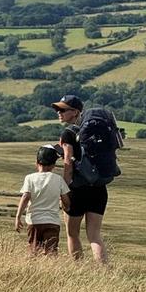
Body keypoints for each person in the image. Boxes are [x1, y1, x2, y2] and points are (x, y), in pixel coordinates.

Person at [53, 94, 109, 264]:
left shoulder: (68, 133)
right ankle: (104, 272)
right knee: (94, 235)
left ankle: (79, 270)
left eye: (62, 110)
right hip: (99, 188)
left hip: (77, 189)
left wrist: (66, 188)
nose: (58, 112)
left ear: (76, 112)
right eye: (57, 109)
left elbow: (68, 160)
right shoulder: (96, 131)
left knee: (72, 233)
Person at [15, 144, 71, 255]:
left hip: (34, 221)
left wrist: (18, 217)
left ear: (37, 163)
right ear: (53, 165)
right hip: (52, 221)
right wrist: (66, 206)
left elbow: (25, 197)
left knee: (34, 251)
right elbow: (66, 201)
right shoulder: (58, 179)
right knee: (51, 252)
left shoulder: (30, 178)